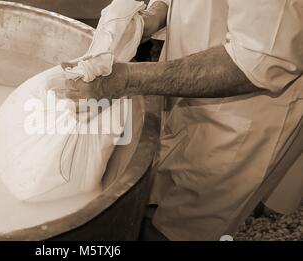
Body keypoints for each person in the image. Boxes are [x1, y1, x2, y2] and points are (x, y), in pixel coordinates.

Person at [55, 0, 303, 240]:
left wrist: (129, 79)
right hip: (184, 84)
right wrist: (155, 15)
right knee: (154, 196)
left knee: (181, 227)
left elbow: (260, 58)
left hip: (241, 120)